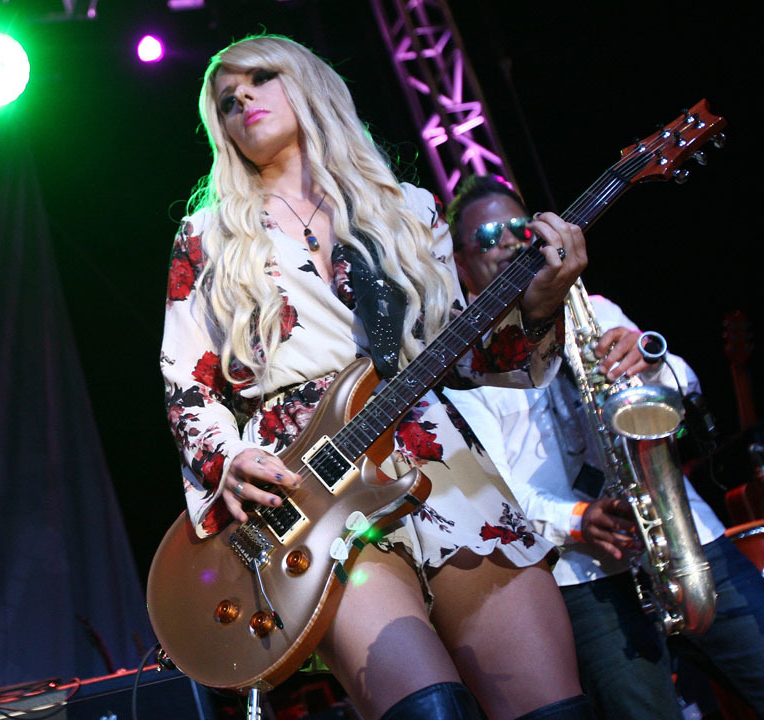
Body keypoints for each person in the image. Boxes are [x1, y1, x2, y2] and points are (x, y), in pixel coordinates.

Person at [160, 35, 591, 720]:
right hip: (311, 489)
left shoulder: (408, 210)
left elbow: (473, 359)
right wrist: (231, 457)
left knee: (556, 713)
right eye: (225, 99)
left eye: (260, 79)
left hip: (439, 465)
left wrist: (538, 307)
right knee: (429, 712)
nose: (242, 99)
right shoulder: (208, 235)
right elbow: (187, 384)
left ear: (308, 84)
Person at [443, 173, 764, 720]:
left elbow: (682, 386)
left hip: (688, 538)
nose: (510, 241)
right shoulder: (465, 368)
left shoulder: (593, 309)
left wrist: (651, 360)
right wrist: (578, 519)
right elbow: (500, 495)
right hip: (585, 580)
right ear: (458, 263)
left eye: (522, 226)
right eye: (490, 234)